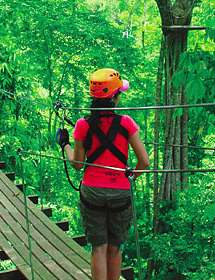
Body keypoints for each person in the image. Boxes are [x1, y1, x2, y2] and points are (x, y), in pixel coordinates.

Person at [56, 68, 149, 280]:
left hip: (92, 192)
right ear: (114, 97)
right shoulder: (126, 123)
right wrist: (129, 177)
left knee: (98, 248)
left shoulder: (82, 124)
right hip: (120, 193)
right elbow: (144, 162)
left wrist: (65, 144)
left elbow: (77, 165)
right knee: (115, 249)